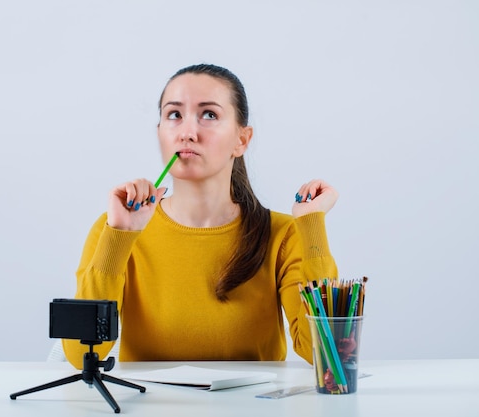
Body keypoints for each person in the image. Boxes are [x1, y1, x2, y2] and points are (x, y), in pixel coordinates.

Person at [62, 63, 338, 370]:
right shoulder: (115, 228)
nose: (187, 133)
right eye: (174, 115)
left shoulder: (283, 234)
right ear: (159, 133)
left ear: (242, 140)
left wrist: (312, 225)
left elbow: (326, 352)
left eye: (209, 115)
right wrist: (119, 237)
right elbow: (80, 355)